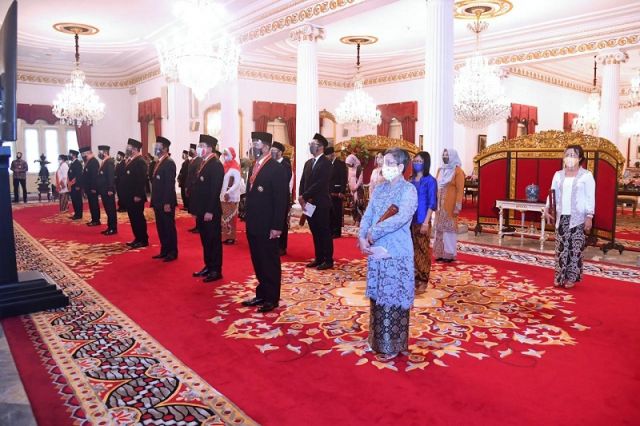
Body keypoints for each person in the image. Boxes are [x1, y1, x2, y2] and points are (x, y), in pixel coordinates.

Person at [358, 148, 418, 361]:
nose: (385, 167)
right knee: (378, 295)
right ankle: (376, 340)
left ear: (400, 167)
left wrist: (374, 232)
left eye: (390, 163)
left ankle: (393, 344)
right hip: (377, 251)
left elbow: (400, 219)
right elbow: (368, 214)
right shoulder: (380, 189)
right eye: (384, 162)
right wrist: (362, 235)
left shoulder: (409, 190)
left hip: (397, 252)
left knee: (394, 296)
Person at [241, 132, 288, 313]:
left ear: (267, 146)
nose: (253, 146)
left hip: (268, 224)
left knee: (269, 261)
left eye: (257, 143)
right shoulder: (255, 165)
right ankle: (262, 293)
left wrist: (277, 226)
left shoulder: (276, 168)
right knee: (258, 260)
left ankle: (271, 298)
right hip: (254, 222)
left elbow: (281, 200)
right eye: (253, 142)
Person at [545, 144, 595, 289]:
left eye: (573, 155)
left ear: (580, 158)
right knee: (561, 248)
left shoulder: (586, 175)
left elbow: (590, 197)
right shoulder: (558, 174)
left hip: (578, 217)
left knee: (575, 249)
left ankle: (572, 277)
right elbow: (552, 193)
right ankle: (559, 276)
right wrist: (547, 208)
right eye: (567, 154)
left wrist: (589, 216)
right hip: (561, 216)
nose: (569, 157)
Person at [191, 134, 225, 282]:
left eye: (202, 146)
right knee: (205, 240)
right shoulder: (203, 162)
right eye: (199, 146)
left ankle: (216, 270)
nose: (199, 148)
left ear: (210, 148)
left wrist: (210, 210)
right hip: (202, 209)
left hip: (210, 211)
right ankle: (208, 265)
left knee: (213, 240)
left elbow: (215, 190)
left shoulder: (215, 164)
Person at [299, 133, 334, 270]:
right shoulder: (308, 163)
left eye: (312, 144)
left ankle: (328, 260)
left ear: (320, 147)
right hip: (309, 204)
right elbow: (303, 181)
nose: (311, 146)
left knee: (324, 232)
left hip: (321, 203)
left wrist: (305, 195)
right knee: (315, 231)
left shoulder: (326, 163)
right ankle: (319, 258)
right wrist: (301, 196)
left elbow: (320, 183)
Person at [410, 151, 437, 291]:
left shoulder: (430, 181)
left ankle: (423, 279)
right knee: (412, 249)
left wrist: (426, 222)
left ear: (425, 163)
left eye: (420, 161)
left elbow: (432, 204)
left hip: (422, 220)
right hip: (410, 220)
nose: (417, 164)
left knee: (423, 249)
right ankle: (414, 277)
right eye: (415, 161)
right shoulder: (410, 180)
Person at [433, 148, 465, 263]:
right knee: (439, 229)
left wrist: (457, 206)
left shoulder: (458, 171)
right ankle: (439, 253)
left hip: (450, 206)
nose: (445, 157)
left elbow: (460, 190)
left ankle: (449, 254)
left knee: (449, 230)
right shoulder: (440, 170)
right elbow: (436, 185)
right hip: (439, 206)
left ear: (453, 156)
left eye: (447, 155)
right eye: (444, 155)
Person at [150, 136, 178, 262]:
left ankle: (172, 252)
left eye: (158, 147)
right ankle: (164, 250)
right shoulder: (158, 162)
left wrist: (167, 202)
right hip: (158, 201)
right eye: (156, 146)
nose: (156, 148)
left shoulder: (169, 162)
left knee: (168, 227)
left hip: (166, 202)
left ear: (165, 149)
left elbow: (169, 185)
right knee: (161, 227)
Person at [122, 138, 149, 248]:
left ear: (135, 149)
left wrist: (138, 195)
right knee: (133, 218)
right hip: (130, 195)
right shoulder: (131, 160)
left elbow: (141, 180)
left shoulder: (140, 161)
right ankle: (137, 238)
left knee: (138, 218)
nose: (127, 149)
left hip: (136, 196)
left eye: (129, 148)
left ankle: (143, 239)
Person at [271, 141, 293, 255]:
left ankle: (282, 246)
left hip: (282, 197)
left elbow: (285, 180)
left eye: (274, 151)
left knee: (282, 222)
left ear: (280, 152)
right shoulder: (270, 163)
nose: (272, 153)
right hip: (271, 197)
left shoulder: (285, 165)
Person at [220, 147, 242, 245]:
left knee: (231, 217)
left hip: (231, 196)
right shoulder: (224, 166)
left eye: (226, 154)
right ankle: (225, 236)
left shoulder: (234, 167)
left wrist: (228, 192)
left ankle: (231, 237)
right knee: (224, 217)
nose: (225, 156)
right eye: (224, 154)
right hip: (223, 195)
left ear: (231, 155)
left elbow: (237, 183)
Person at [326, 146, 347, 238]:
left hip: (337, 192)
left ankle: (337, 232)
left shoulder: (340, 164)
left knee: (337, 212)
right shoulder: (327, 164)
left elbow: (343, 179)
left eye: (327, 155)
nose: (327, 157)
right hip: (328, 192)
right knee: (329, 212)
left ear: (332, 154)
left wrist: (342, 191)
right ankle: (330, 231)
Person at [96, 145, 117, 235]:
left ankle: (113, 228)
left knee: (111, 210)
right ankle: (110, 227)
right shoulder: (104, 162)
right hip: (104, 190)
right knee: (108, 210)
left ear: (105, 152)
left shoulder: (109, 162)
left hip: (108, 191)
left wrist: (110, 189)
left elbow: (110, 177)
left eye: (100, 152)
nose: (99, 154)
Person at [80, 146, 101, 226]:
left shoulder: (93, 162)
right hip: (89, 187)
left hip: (92, 188)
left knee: (94, 204)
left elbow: (94, 176)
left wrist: (93, 187)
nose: (83, 156)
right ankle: (94, 219)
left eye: (83, 154)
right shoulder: (89, 161)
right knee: (92, 204)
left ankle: (96, 220)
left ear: (87, 153)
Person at [186, 143, 202, 233]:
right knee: (194, 208)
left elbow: (197, 174)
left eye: (192, 150)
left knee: (197, 208)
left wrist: (192, 184)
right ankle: (197, 225)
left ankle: (199, 227)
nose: (190, 152)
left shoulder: (199, 160)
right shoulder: (191, 161)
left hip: (195, 187)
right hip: (191, 187)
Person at [346, 153, 365, 225]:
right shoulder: (349, 168)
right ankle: (354, 218)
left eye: (349, 164)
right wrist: (350, 188)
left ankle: (358, 220)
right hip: (352, 188)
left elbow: (360, 179)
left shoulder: (359, 167)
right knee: (353, 204)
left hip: (358, 188)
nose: (348, 165)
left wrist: (355, 188)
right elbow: (349, 178)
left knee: (359, 204)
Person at [67, 149, 83, 219]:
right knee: (74, 200)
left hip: (76, 185)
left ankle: (79, 215)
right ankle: (76, 213)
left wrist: (78, 185)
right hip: (72, 185)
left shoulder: (77, 163)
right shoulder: (72, 163)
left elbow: (79, 175)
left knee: (77, 200)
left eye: (70, 154)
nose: (69, 156)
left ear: (74, 155)